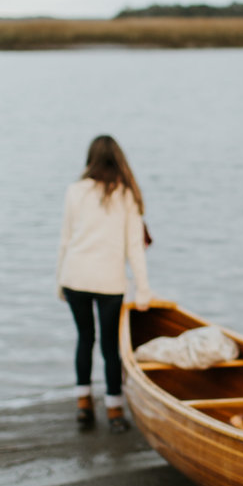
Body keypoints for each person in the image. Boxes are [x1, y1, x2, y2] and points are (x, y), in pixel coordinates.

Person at [56, 135, 153, 434]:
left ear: (91, 159)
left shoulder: (75, 191)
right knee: (111, 347)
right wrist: (143, 290)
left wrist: (59, 280)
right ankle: (114, 410)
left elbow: (65, 240)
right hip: (109, 281)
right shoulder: (126, 196)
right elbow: (134, 249)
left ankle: (83, 405)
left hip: (75, 277)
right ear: (119, 160)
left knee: (85, 339)